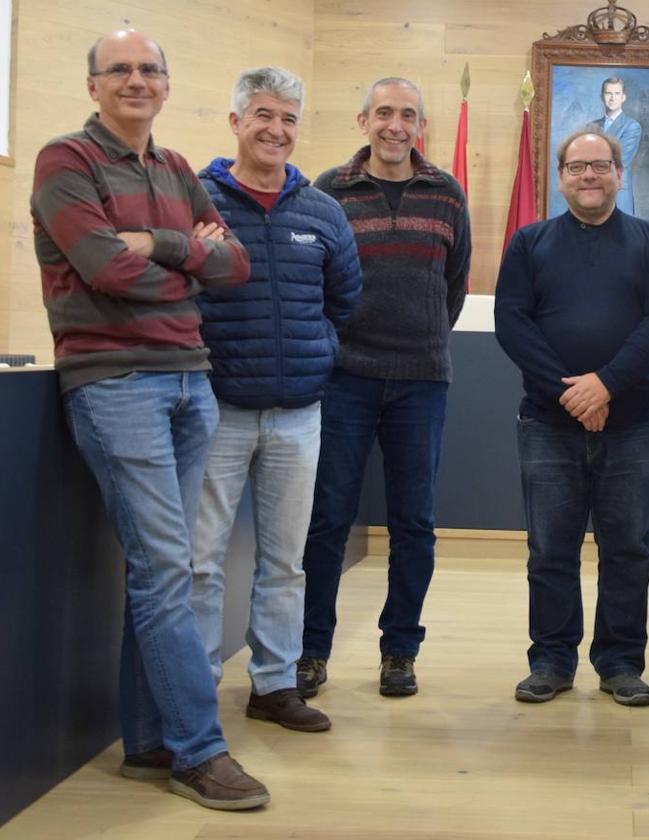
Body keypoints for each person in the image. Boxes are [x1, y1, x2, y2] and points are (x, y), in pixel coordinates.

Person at [30, 29, 268, 809]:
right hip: (115, 383)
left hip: (190, 383)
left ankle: (148, 741)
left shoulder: (173, 168)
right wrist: (188, 268)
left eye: (148, 70)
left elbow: (236, 265)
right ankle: (200, 751)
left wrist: (162, 246)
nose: (136, 80)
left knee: (172, 570)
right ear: (94, 86)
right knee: (167, 568)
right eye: (119, 70)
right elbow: (104, 268)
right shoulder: (65, 162)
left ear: (166, 85)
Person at [190, 67, 362, 734]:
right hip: (216, 411)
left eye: (289, 117)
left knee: (285, 560)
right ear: (236, 122)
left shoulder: (322, 210)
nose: (276, 129)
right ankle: (195, 687)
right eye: (263, 115)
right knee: (202, 562)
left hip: (299, 415)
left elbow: (344, 300)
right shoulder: (197, 200)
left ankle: (274, 683)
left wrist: (314, 349)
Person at [495, 130, 649, 707]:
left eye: (600, 166)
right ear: (560, 177)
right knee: (550, 548)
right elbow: (512, 322)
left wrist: (605, 384)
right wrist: (571, 393)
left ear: (620, 174)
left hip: (633, 423)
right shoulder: (530, 243)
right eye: (576, 167)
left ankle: (621, 662)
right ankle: (552, 660)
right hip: (548, 423)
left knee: (628, 549)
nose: (588, 176)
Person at [298, 76, 471, 699]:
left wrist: (420, 335)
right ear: (362, 120)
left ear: (420, 125)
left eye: (407, 115)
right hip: (344, 378)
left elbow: (452, 285)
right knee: (327, 520)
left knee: (414, 524)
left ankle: (400, 650)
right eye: (383, 113)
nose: (395, 125)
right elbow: (311, 279)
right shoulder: (329, 191)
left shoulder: (446, 193)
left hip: (421, 380)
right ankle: (311, 650)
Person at [586, 77, 642, 215]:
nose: (612, 98)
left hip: (618, 193)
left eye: (617, 94)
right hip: (593, 191)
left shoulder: (632, 126)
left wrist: (592, 159)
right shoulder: (591, 126)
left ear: (623, 97)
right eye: (608, 93)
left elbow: (619, 160)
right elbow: (583, 159)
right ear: (602, 97)